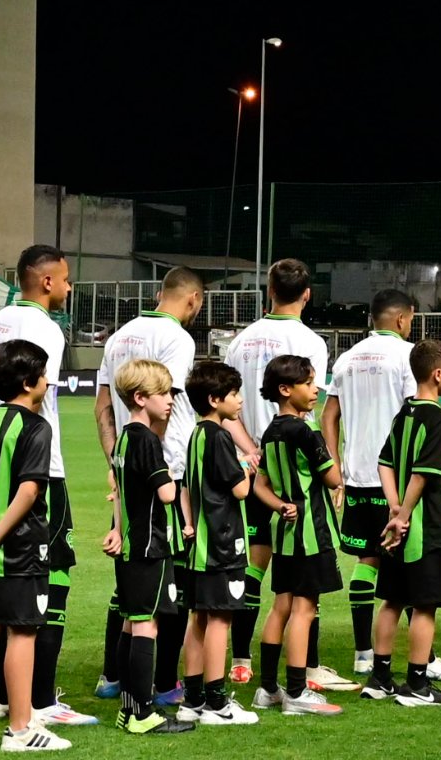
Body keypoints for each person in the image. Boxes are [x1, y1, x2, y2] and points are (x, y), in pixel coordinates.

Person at [0, 245, 94, 727]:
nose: (69, 287)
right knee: (49, 580)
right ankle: (39, 700)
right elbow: (35, 405)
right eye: (65, 279)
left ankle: (1, 697)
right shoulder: (43, 330)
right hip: (42, 473)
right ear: (45, 282)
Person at [320, 289, 441, 683]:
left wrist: (334, 465)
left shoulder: (347, 358)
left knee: (368, 562)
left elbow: (328, 416)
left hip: (359, 474)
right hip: (400, 485)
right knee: (409, 573)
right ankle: (424, 660)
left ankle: (365, 655)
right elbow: (415, 415)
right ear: (403, 319)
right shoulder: (408, 357)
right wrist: (401, 504)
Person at [224, 259, 354, 691]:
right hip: (297, 475)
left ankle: (242, 658)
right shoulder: (310, 342)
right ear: (307, 294)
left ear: (268, 290)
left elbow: (229, 405)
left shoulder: (240, 342)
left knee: (256, 568)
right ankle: (305, 670)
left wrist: (251, 450)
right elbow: (312, 409)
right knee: (302, 586)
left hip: (257, 467)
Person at [0, 340, 71, 752]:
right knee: (23, 632)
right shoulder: (37, 427)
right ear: (28, 382)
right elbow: (29, 490)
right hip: (20, 549)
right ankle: (21, 728)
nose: (48, 380)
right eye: (43, 374)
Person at [95, 266, 204, 706]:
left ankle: (113, 677)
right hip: (166, 477)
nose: (172, 398)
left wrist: (118, 468)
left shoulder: (120, 336)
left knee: (129, 588)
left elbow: (102, 406)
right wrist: (152, 465)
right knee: (166, 589)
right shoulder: (178, 339)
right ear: (192, 298)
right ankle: (161, 685)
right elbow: (163, 411)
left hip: (127, 478)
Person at [361, 340, 441, 706]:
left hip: (398, 528)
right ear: (437, 374)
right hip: (426, 527)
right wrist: (404, 515)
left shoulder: (405, 414)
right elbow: (423, 473)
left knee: (392, 601)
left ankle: (380, 676)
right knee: (425, 605)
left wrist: (392, 507)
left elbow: (384, 462)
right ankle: (417, 684)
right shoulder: (439, 418)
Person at [249, 356, 346, 716]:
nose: (315, 389)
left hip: (286, 535)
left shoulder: (270, 432)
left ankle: (268, 688)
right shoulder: (305, 432)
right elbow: (333, 479)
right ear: (286, 390)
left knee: (281, 607)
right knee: (305, 610)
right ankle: (296, 693)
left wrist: (278, 505)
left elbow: (261, 484)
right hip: (311, 533)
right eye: (308, 383)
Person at [105, 359, 195, 735]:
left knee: (131, 623)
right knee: (147, 627)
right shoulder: (147, 440)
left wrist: (117, 530)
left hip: (131, 547)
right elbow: (167, 494)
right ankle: (142, 714)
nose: (171, 400)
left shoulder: (125, 436)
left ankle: (129, 708)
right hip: (151, 546)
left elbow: (121, 490)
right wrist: (175, 475)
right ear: (141, 398)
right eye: (164, 394)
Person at [177, 361, 258, 726]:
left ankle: (192, 698)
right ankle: (216, 702)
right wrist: (247, 467)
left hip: (200, 546)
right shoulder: (220, 436)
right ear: (214, 399)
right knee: (220, 621)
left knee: (199, 619)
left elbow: (187, 488)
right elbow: (240, 490)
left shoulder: (196, 435)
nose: (240, 401)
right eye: (234, 394)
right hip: (223, 544)